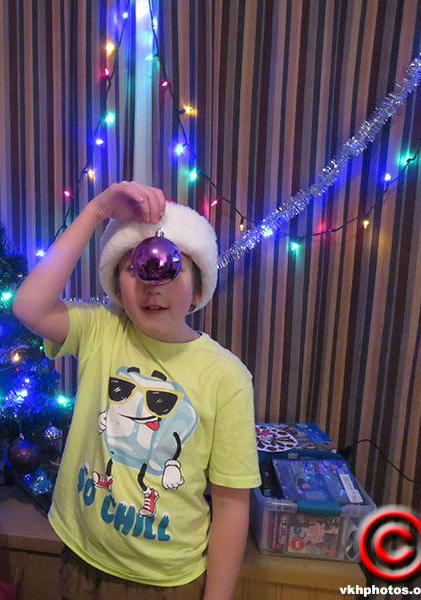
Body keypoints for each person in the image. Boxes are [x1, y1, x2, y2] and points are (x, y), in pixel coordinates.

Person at [13, 182, 261, 599]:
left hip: (167, 582)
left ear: (199, 287)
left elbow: (232, 503)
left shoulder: (226, 377)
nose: (152, 284)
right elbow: (28, 306)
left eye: (171, 268)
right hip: (82, 561)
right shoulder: (102, 329)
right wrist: (96, 211)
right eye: (135, 268)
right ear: (115, 286)